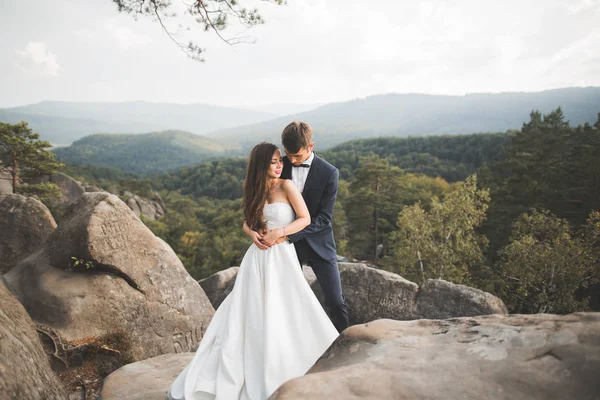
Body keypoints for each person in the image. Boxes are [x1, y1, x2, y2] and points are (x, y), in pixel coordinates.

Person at [167, 142, 339, 400]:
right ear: (261, 165)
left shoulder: (287, 186)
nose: (281, 165)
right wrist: (252, 233)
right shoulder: (252, 188)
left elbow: (304, 219)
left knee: (284, 309)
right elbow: (247, 219)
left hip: (281, 255)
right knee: (248, 313)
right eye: (274, 161)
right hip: (257, 258)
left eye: (281, 160)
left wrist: (280, 231)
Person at [274, 121, 350, 333]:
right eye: (289, 155)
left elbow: (324, 218)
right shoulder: (281, 166)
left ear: (311, 146)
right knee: (287, 299)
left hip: (318, 243)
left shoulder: (329, 173)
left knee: (336, 301)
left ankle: (344, 346)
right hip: (287, 248)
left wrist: (288, 235)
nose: (293, 161)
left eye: (297, 156)